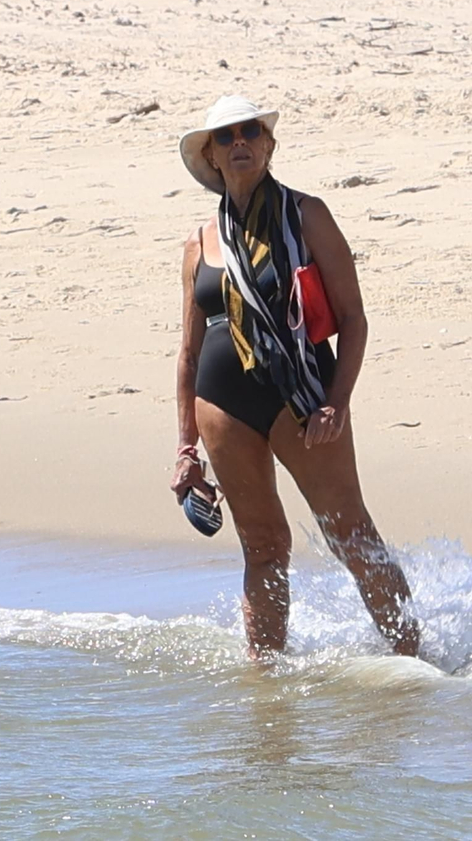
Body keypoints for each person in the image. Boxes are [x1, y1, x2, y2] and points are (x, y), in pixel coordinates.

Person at [172, 95, 419, 660]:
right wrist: (185, 450)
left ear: (269, 145)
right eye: (226, 136)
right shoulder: (199, 242)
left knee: (350, 535)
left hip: (304, 400)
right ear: (211, 155)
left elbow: (353, 319)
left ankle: (414, 665)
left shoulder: (307, 216)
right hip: (222, 405)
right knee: (262, 547)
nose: (240, 143)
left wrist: (338, 402)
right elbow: (187, 353)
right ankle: (267, 684)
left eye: (250, 132)